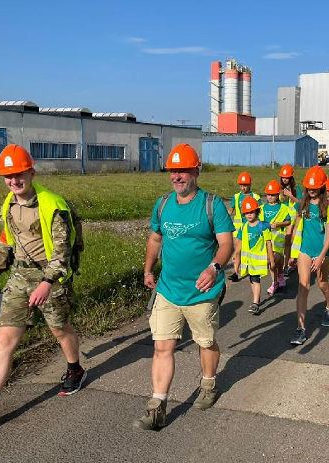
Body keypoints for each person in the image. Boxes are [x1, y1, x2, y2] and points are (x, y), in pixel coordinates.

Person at [0, 144, 84, 428]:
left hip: (51, 279)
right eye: (8, 176)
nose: (14, 181)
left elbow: (62, 253)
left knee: (60, 330)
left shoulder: (53, 205)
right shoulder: (8, 203)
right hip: (19, 279)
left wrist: (47, 283)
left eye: (19, 174)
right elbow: (6, 241)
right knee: (5, 341)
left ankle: (75, 369)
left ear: (31, 172)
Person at [135, 143, 235, 430]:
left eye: (183, 170)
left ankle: (208, 384)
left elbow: (226, 243)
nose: (177, 176)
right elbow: (155, 239)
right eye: (173, 170)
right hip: (167, 289)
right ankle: (157, 405)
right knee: (162, 347)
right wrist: (147, 269)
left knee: (205, 342)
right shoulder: (163, 204)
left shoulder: (212, 204)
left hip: (202, 292)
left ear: (196, 171)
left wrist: (214, 267)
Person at [289, 166, 329, 345]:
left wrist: (321, 257)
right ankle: (301, 329)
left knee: (322, 283)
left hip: (321, 253)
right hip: (304, 250)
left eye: (314, 187)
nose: (311, 190)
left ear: (322, 187)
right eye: (308, 187)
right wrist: (293, 253)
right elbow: (297, 228)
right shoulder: (303, 205)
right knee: (303, 287)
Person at [236, 197, 275, 315]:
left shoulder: (262, 226)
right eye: (246, 213)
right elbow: (239, 244)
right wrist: (236, 260)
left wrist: (271, 260)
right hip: (248, 261)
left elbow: (269, 243)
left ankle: (255, 303)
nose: (249, 215)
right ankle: (255, 299)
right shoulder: (243, 227)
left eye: (251, 212)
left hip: (258, 261)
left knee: (255, 280)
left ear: (257, 211)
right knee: (252, 280)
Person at [228, 171, 260, 282]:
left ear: (250, 184)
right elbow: (231, 209)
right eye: (241, 185)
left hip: (251, 227)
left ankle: (252, 269)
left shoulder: (255, 197)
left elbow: (260, 212)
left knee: (250, 250)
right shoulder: (236, 197)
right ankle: (235, 273)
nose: (243, 187)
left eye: (245, 185)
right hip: (238, 228)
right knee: (238, 250)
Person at [260, 180, 291, 294]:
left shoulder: (283, 208)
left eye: (272, 195)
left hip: (278, 237)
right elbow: (259, 222)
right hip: (266, 238)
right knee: (270, 260)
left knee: (277, 259)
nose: (270, 197)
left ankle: (280, 274)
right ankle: (275, 282)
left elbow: (288, 222)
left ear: (278, 195)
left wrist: (279, 224)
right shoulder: (262, 208)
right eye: (268, 195)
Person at [279, 164, 302, 277]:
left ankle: (288, 265)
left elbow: (301, 203)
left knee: (291, 241)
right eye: (283, 177)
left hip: (295, 218)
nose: (284, 179)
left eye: (287, 177)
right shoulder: (279, 189)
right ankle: (284, 263)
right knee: (284, 242)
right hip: (283, 219)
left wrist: (290, 195)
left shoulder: (296, 189)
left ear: (291, 178)